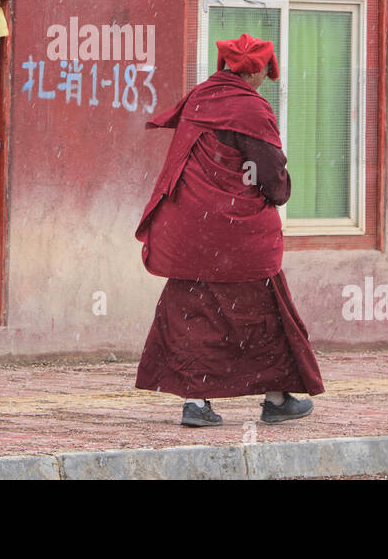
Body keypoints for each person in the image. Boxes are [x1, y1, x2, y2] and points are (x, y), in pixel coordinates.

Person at [134, 33, 325, 426]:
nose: (264, 81)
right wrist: (280, 192)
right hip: (238, 237)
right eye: (263, 73)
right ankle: (276, 398)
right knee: (263, 316)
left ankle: (196, 402)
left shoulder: (201, 98)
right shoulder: (250, 109)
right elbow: (270, 173)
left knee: (194, 316)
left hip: (191, 232)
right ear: (255, 72)